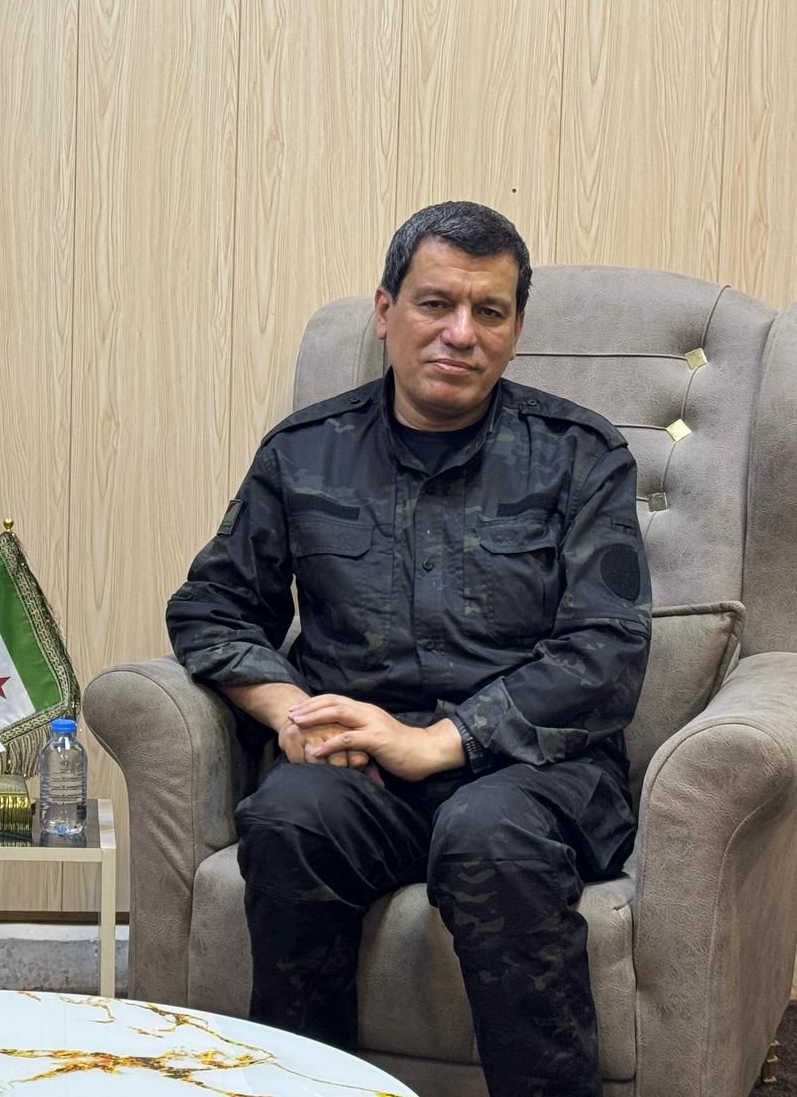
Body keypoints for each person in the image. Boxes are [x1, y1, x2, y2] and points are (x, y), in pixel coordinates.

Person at [166, 200, 650, 1097]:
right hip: (362, 779)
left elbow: (605, 653)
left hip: (536, 778)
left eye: (489, 311)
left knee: (486, 833)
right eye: (435, 304)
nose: (460, 333)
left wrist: (437, 742)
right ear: (386, 311)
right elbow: (212, 607)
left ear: (515, 329)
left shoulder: (582, 455)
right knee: (288, 816)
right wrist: (291, 711)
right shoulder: (303, 453)